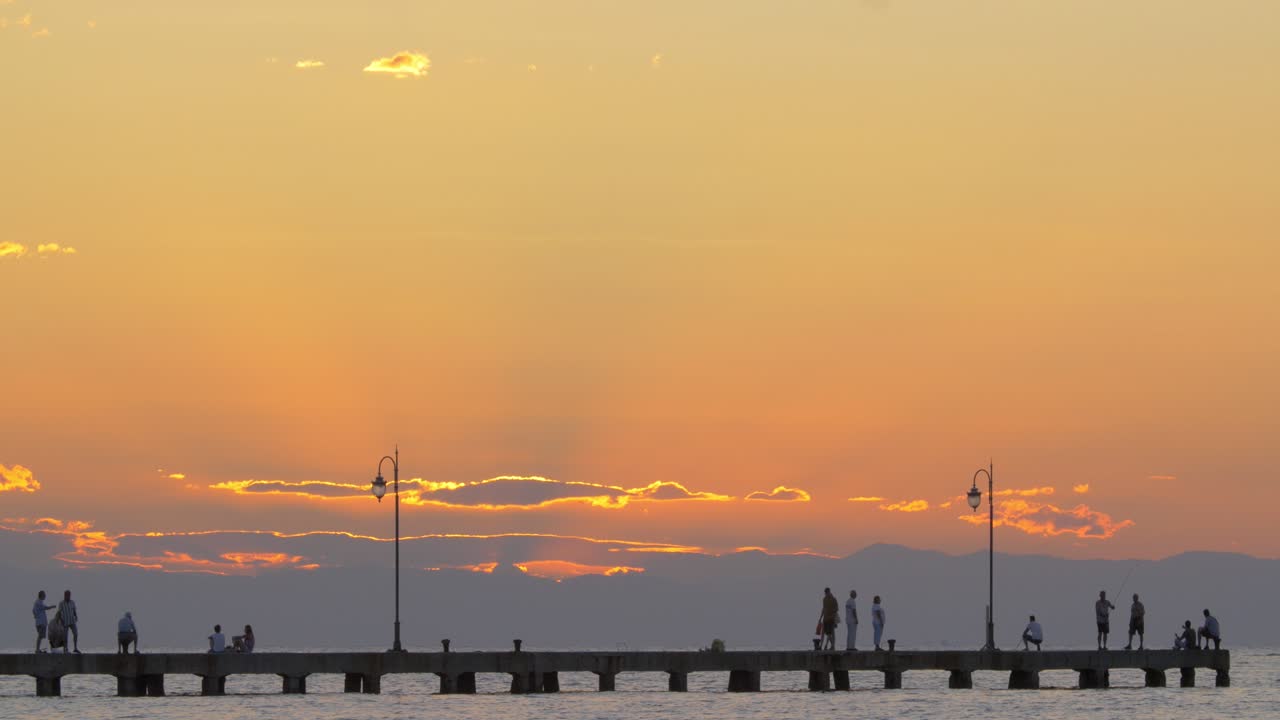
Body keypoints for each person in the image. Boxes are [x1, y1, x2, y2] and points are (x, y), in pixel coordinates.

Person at [56, 590, 80, 654]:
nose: (67, 596)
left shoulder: (72, 602)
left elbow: (74, 610)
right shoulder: (61, 603)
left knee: (75, 634)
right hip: (65, 622)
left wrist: (76, 616)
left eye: (68, 595)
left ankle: (75, 648)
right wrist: (60, 621)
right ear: (64, 595)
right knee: (65, 636)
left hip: (72, 621)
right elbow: (59, 613)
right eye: (66, 595)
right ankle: (65, 648)